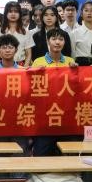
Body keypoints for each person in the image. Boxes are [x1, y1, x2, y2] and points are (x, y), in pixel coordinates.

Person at [29, 28, 75, 157]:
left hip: (65, 116)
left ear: (65, 42)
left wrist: (76, 72)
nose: (57, 42)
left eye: (61, 39)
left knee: (68, 155)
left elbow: (76, 89)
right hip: (44, 117)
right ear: (48, 41)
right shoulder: (38, 62)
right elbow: (31, 88)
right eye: (54, 39)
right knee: (41, 155)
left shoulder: (70, 61)